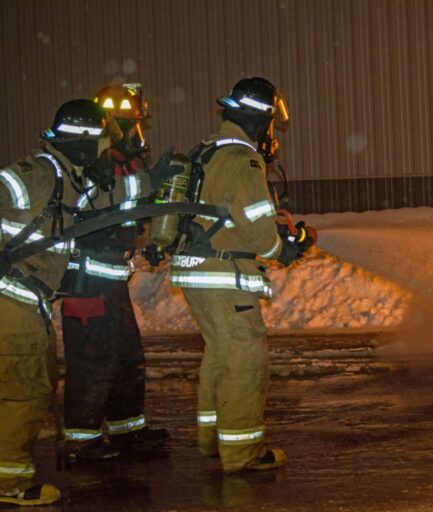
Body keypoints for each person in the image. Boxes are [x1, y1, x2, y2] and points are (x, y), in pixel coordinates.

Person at [0, 99, 179, 507]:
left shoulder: (68, 176)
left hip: (29, 298)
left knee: (31, 384)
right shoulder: (38, 172)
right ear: (83, 143)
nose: (105, 150)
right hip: (13, 295)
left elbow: (104, 199)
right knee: (23, 392)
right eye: (101, 141)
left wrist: (150, 180)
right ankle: (9, 483)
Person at [168, 77, 311, 472]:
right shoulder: (243, 158)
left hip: (197, 272)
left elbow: (227, 214)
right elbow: (258, 228)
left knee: (219, 357)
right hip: (224, 277)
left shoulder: (208, 150)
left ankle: (212, 440)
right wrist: (285, 248)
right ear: (261, 119)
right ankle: (241, 454)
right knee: (245, 364)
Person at [59, 84, 169, 461]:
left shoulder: (124, 161)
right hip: (86, 281)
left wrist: (153, 235)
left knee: (125, 356)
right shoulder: (92, 162)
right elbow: (102, 200)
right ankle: (82, 441)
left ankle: (127, 431)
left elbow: (133, 208)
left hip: (111, 278)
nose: (132, 132)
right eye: (125, 125)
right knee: (92, 361)